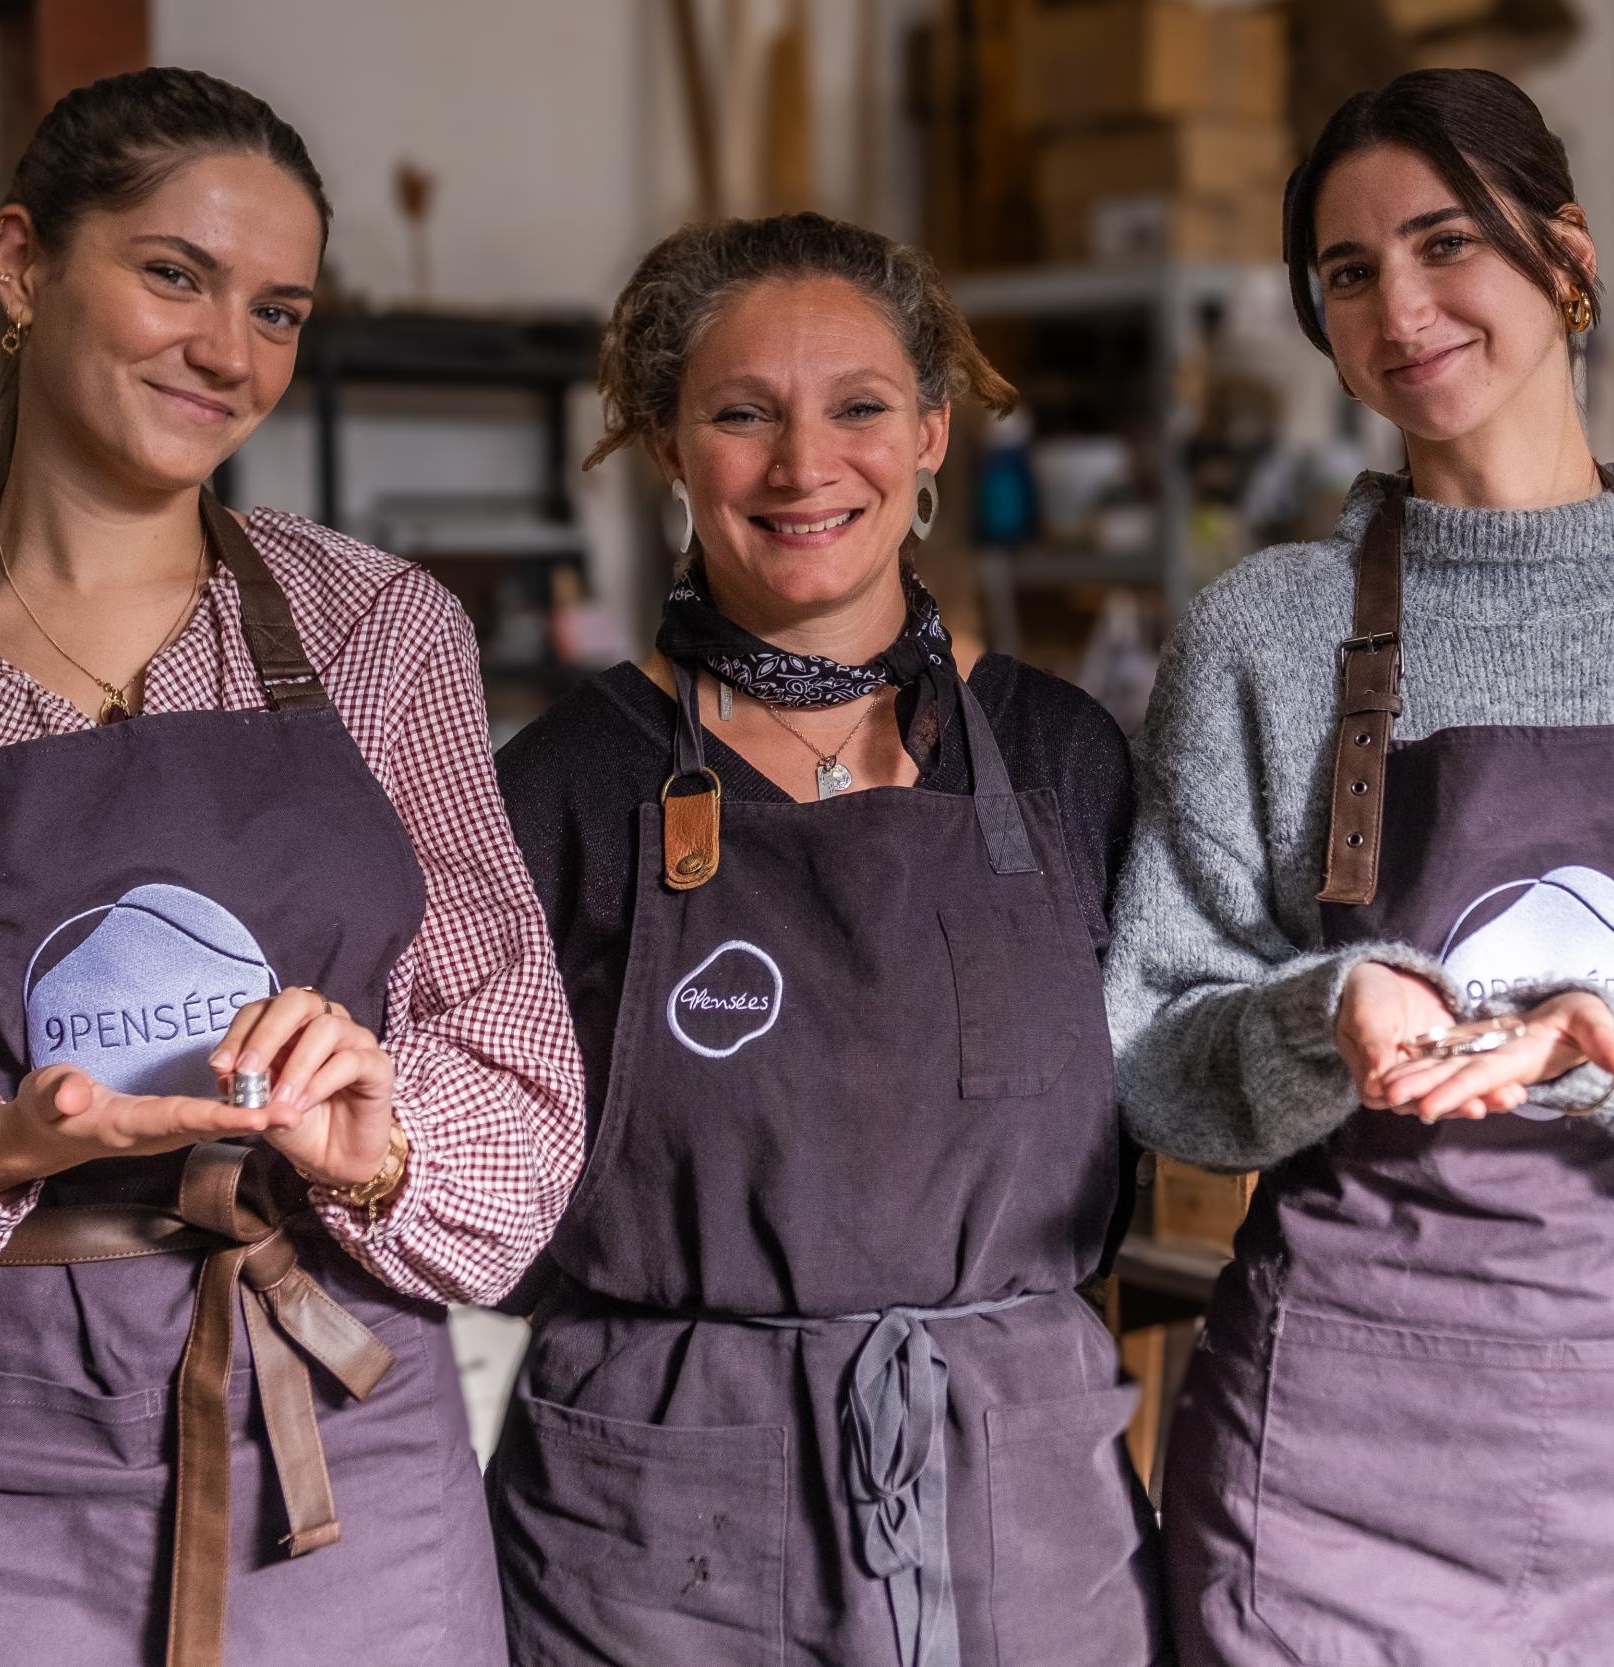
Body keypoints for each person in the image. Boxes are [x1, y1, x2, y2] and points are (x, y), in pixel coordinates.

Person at [0, 68, 584, 1666]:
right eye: (175, 274)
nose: (230, 352)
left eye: (279, 309)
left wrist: (374, 1138)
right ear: (23, 265)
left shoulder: (377, 635)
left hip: (339, 1449)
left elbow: (512, 1048)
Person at [1104, 69, 1614, 1666]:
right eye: (1347, 274)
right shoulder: (1265, 632)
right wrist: (1322, 1012)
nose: (1399, 307)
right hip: (1337, 1436)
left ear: (1563, 257)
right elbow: (1157, 1039)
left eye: (1441, 244)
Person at [487, 212, 1164, 1666]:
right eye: (742, 414)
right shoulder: (560, 785)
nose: (805, 467)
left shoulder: (1063, 758)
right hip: (652, 1524)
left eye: (858, 407)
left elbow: (1168, 1104)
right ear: (669, 446)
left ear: (929, 434)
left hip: (1021, 1498)